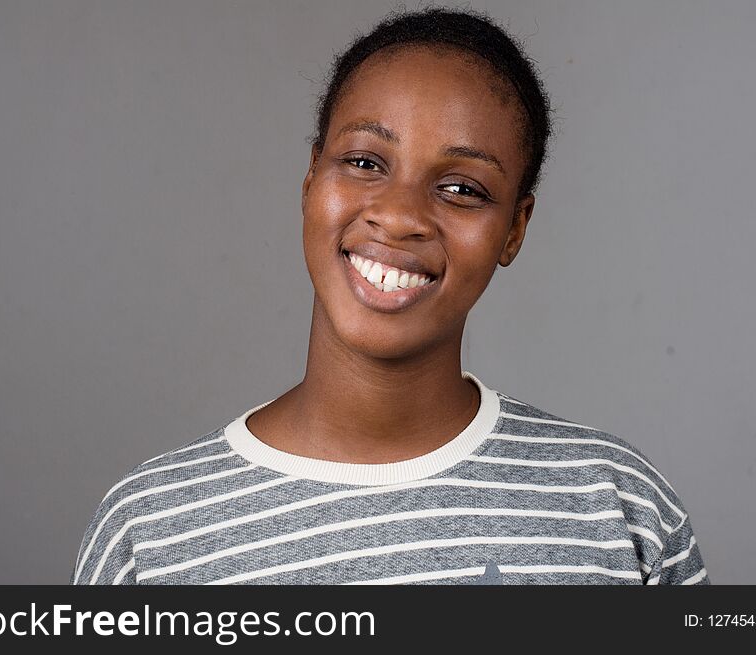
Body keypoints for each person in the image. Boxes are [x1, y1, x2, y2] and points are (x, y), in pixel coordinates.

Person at [72, 7, 708, 585]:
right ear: (309, 181)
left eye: (463, 188)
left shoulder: (616, 505)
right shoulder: (150, 534)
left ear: (514, 227)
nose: (400, 215)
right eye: (365, 163)